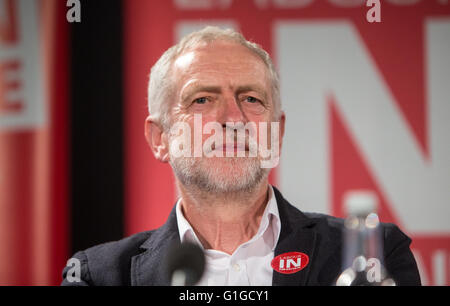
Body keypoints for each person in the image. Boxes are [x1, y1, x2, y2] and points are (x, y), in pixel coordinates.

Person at [61, 26, 421, 286]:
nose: (233, 119)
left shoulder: (373, 258)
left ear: (276, 133)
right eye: (202, 99)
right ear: (160, 138)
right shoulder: (98, 275)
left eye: (251, 99)